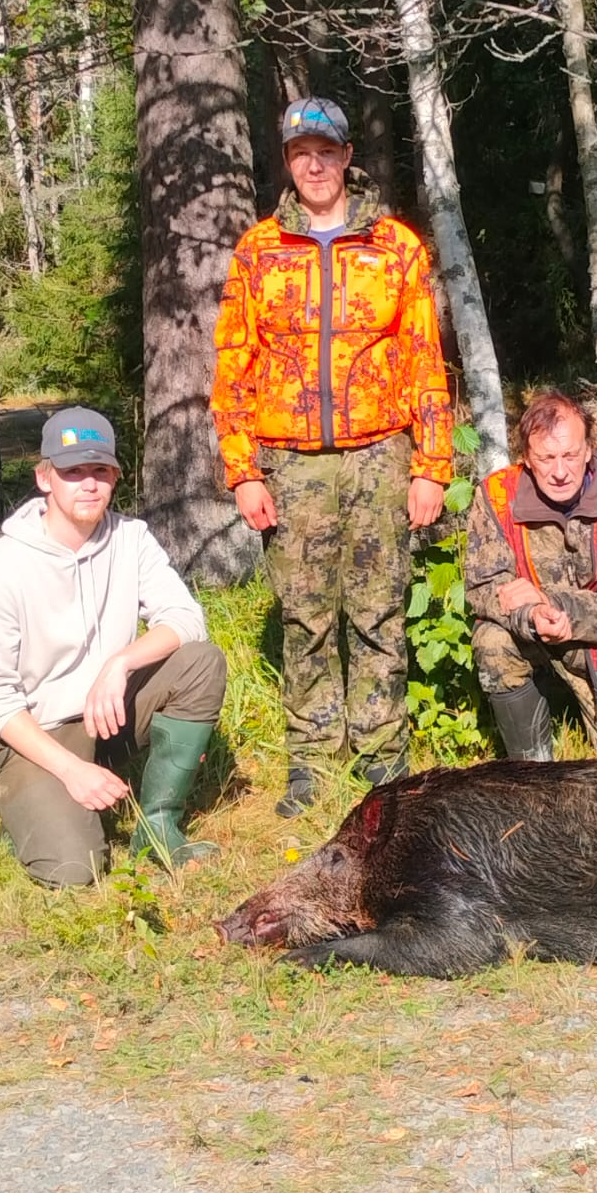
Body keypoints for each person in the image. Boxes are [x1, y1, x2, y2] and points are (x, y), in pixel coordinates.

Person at [211, 96, 453, 817]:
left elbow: (425, 361)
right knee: (305, 615)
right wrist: (243, 471)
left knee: (379, 609)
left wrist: (431, 467)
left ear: (347, 157)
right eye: (300, 153)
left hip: (379, 454)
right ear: (287, 162)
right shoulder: (259, 251)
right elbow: (233, 366)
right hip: (291, 463)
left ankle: (382, 754)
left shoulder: (395, 246)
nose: (313, 165)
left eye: (326, 151)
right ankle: (312, 759)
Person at [0, 407, 227, 887]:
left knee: (199, 662)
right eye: (72, 471)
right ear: (45, 478)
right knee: (75, 870)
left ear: (115, 477)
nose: (88, 484)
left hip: (103, 716)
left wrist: (120, 663)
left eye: (100, 470)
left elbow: (187, 619)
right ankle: (25, 808)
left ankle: (158, 827)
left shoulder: (131, 539)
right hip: (27, 735)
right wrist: (70, 770)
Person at [465, 390, 597, 758]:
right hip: (528, 634)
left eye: (570, 455)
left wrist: (557, 606)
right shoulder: (496, 496)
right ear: (526, 458)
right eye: (546, 458)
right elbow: (483, 585)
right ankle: (532, 769)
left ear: (588, 450)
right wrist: (532, 614)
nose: (560, 472)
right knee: (492, 640)